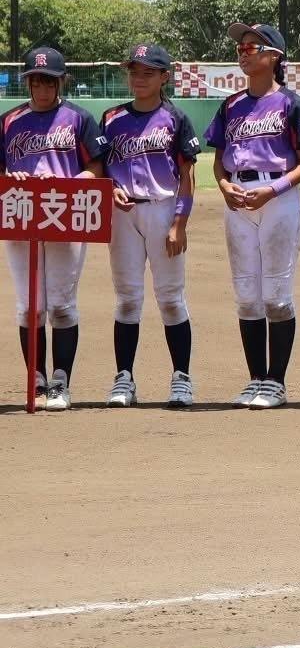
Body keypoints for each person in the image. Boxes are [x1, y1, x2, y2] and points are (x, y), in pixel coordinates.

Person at [205, 23, 300, 409]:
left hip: (277, 197)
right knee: (247, 296)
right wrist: (224, 185)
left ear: (274, 56)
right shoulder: (230, 105)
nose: (243, 52)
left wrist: (273, 190)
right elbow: (219, 160)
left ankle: (276, 382)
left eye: (252, 46)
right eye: (240, 47)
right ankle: (255, 379)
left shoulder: (292, 104)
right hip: (238, 198)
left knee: (276, 296)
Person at [4, 46, 108, 411]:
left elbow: (96, 168)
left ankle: (60, 382)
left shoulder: (79, 118)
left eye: (49, 81)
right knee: (29, 307)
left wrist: (69, 183)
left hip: (65, 214)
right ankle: (36, 379)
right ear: (28, 83)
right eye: (36, 81)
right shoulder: (9, 121)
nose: (43, 88)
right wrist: (10, 177)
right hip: (22, 215)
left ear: (61, 82)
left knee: (62, 305)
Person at [101, 44, 201, 409]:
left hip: (163, 209)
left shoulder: (175, 117)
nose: (139, 78)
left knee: (171, 298)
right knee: (127, 298)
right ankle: (124, 378)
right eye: (134, 71)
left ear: (164, 77)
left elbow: (187, 174)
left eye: (148, 72)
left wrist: (179, 223)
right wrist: (110, 189)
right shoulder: (111, 118)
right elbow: (99, 167)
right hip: (123, 214)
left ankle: (181, 379)